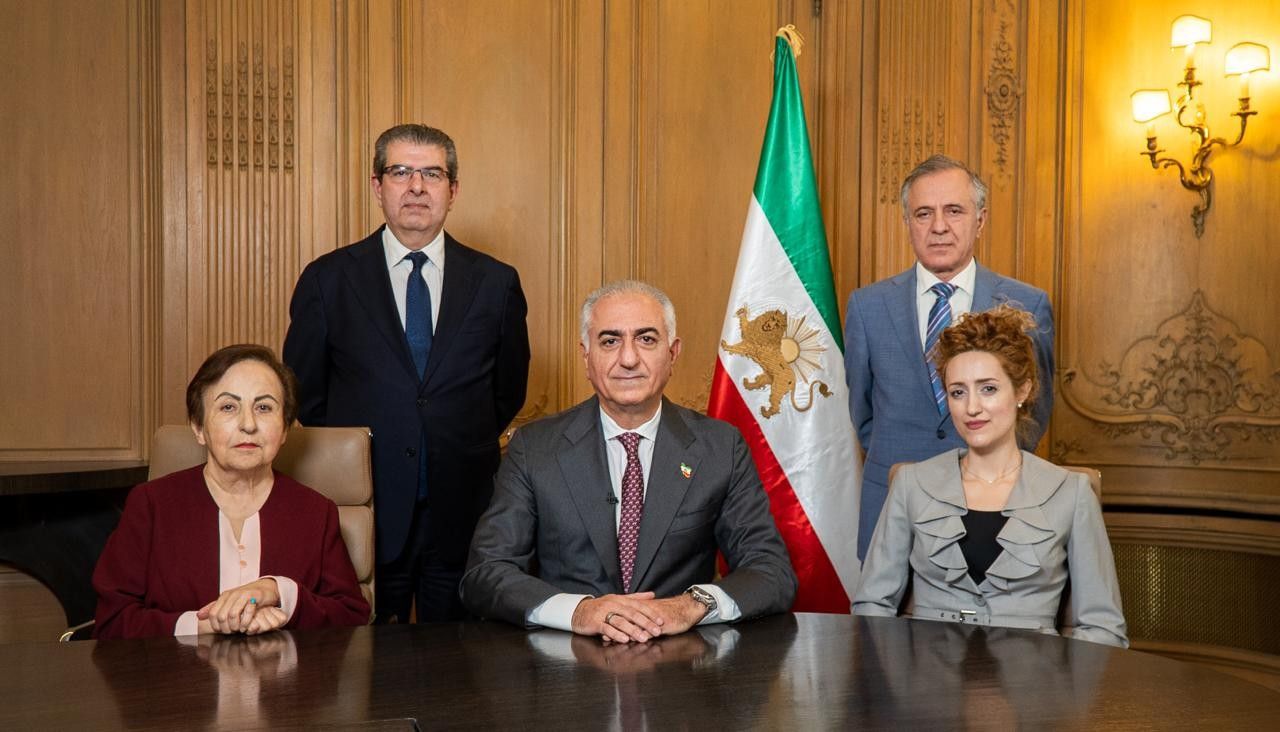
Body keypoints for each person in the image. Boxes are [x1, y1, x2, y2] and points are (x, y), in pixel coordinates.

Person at [283, 124, 530, 623]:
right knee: (362, 675)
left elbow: (507, 392)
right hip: (363, 513)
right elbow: (304, 395)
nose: (416, 186)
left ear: (453, 190)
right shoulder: (328, 280)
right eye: (401, 172)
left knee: (460, 675)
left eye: (432, 174)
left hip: (462, 513)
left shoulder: (496, 283)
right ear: (378, 186)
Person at [460, 281, 796, 643]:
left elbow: (771, 570)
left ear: (673, 353)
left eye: (647, 339)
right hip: (566, 667)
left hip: (681, 670)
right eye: (610, 341)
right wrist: (580, 611)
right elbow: (486, 572)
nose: (629, 358)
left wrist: (690, 604)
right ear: (586, 356)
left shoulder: (720, 447)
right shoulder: (535, 448)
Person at [851, 306, 1127, 647]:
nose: (971, 408)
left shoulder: (1072, 493)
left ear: (1022, 391)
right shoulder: (911, 484)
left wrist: (1063, 699)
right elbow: (871, 607)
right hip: (923, 688)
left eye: (988, 389)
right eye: (958, 392)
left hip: (1037, 691)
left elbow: (1102, 629)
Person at [843, 154, 1055, 559]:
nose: (938, 226)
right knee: (884, 623)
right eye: (923, 213)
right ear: (907, 223)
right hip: (891, 509)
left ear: (980, 219)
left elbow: (1035, 412)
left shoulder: (1027, 303)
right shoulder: (867, 306)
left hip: (996, 508)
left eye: (953, 211)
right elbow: (863, 413)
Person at [93, 345, 370, 640]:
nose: (248, 424)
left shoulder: (316, 512)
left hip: (285, 683)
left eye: (264, 407)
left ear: (286, 429)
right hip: (177, 682)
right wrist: (206, 624)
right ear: (198, 427)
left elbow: (353, 618)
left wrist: (279, 592)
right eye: (228, 407)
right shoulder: (150, 505)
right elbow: (112, 623)